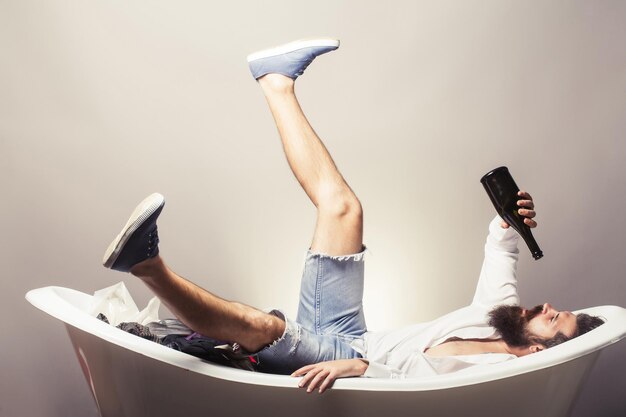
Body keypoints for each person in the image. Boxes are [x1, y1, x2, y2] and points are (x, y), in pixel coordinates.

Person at [102, 38, 604, 394]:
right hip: (351, 334)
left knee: (261, 327)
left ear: (541, 353)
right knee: (345, 208)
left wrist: (358, 369)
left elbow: (416, 391)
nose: (549, 307)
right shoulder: (501, 318)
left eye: (555, 322)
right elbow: (501, 245)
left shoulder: (488, 378)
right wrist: (510, 220)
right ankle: (275, 82)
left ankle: (146, 265)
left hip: (352, 362)